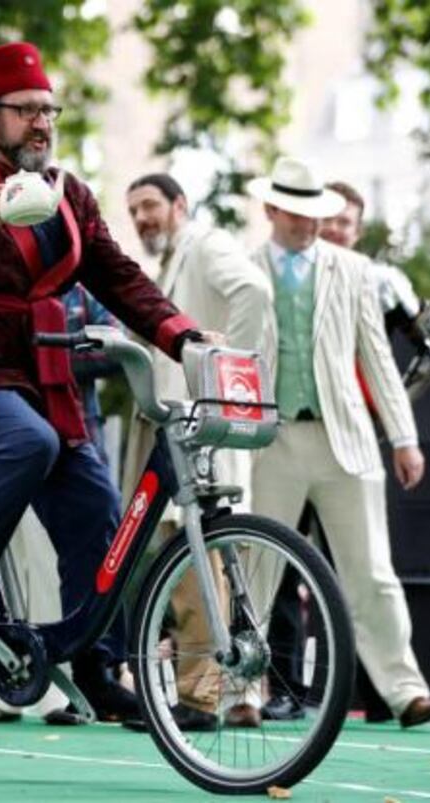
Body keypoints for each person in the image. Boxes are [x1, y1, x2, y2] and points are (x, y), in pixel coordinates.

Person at [0, 42, 202, 717]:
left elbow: (117, 275)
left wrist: (181, 334)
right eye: (25, 111)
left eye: (47, 111)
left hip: (41, 376)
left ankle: (94, 664)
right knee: (29, 444)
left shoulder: (69, 194)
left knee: (99, 514)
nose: (41, 123)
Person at [245, 155, 430, 728]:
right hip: (271, 439)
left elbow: (377, 359)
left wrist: (404, 438)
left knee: (371, 571)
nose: (311, 224)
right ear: (271, 210)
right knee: (255, 566)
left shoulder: (356, 270)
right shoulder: (244, 267)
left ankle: (407, 691)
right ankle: (241, 693)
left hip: (346, 440)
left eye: (319, 214)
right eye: (299, 214)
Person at [121, 172, 271, 731]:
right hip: (177, 429)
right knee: (189, 566)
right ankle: (211, 693)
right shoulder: (167, 263)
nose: (142, 218)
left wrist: (224, 373)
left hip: (201, 427)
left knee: (199, 566)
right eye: (134, 210)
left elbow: (253, 293)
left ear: (180, 204)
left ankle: (201, 698)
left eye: (151, 205)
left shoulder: (206, 243)